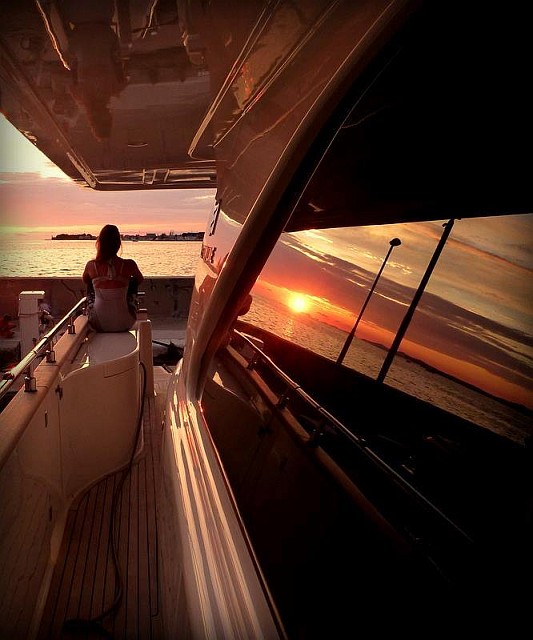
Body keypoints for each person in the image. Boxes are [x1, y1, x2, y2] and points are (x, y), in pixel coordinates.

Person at [82, 224, 144, 332]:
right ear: (118, 244)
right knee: (133, 282)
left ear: (100, 244)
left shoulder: (91, 265)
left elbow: (85, 280)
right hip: (125, 322)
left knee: (90, 284)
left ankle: (99, 309)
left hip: (98, 323)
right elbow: (140, 279)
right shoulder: (129, 264)